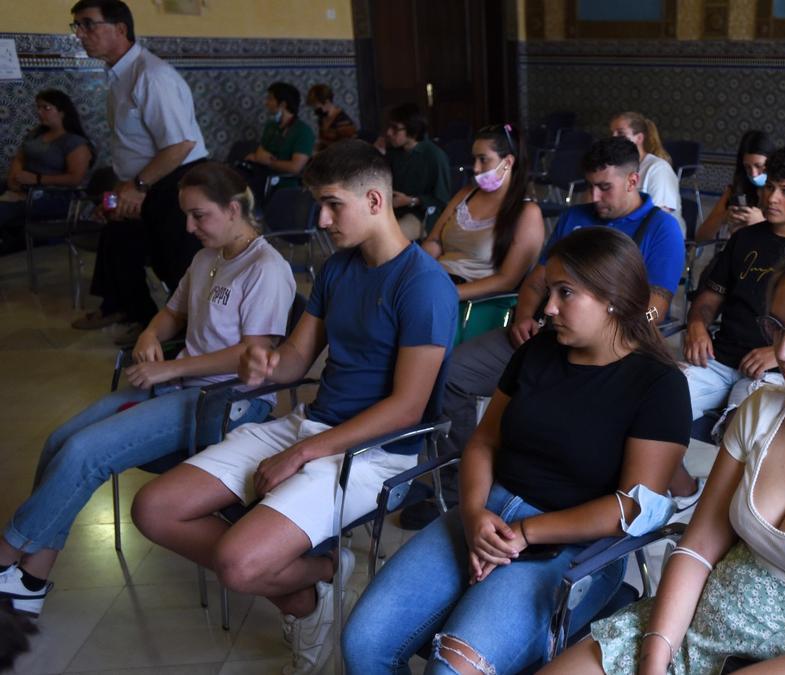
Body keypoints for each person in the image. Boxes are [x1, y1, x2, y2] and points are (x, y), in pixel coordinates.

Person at [131, 140, 457, 675]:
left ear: (376, 201)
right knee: (155, 508)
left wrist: (303, 453)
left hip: (379, 449)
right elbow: (294, 362)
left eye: (333, 205)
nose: (322, 219)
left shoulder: (423, 285)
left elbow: (406, 409)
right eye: (318, 205)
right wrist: (264, 363)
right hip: (315, 425)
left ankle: (309, 574)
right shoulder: (338, 270)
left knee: (239, 565)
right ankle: (315, 578)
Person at [543, 238, 785, 675]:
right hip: (697, 621)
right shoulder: (763, 409)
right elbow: (697, 547)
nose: (784, 352)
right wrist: (656, 656)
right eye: (778, 327)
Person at [343, 226, 691, 675]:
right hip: (488, 512)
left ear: (613, 297)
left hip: (570, 545)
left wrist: (525, 533)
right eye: (550, 291)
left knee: (451, 670)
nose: (548, 308)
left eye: (566, 293)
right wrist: (472, 514)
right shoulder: (540, 350)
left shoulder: (658, 386)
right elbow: (485, 441)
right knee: (363, 643)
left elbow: (630, 508)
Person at [0, 162, 294, 618]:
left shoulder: (266, 268)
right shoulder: (206, 257)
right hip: (182, 384)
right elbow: (173, 312)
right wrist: (150, 335)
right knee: (60, 440)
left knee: (84, 452)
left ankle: (7, 558)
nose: (189, 227)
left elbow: (250, 354)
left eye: (199, 215)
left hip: (226, 401)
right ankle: (32, 576)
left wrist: (167, 372)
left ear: (233, 209)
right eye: (186, 216)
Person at [428, 137, 684, 524]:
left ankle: (667, 475)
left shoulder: (660, 228)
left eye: (605, 187)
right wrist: (526, 317)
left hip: (610, 344)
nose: (595, 196)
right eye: (589, 185)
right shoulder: (574, 218)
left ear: (633, 181)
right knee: (454, 372)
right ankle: (462, 483)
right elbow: (538, 279)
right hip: (548, 336)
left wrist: (617, 337)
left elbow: (657, 305)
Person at [673, 142, 785, 506]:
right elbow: (708, 298)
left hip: (776, 369)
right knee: (655, 397)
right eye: (769, 187)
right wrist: (698, 325)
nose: (771, 198)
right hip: (720, 359)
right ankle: (680, 490)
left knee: (741, 427)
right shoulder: (745, 238)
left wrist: (779, 353)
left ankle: (728, 512)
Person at [69, 0, 209, 343]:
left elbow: (180, 145)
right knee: (118, 241)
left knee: (175, 263)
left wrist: (139, 186)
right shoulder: (119, 76)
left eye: (89, 24)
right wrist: (118, 193)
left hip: (176, 180)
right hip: (142, 182)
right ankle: (138, 315)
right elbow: (130, 148)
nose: (81, 35)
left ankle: (192, 337)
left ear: (120, 28)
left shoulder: (152, 75)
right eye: (77, 27)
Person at [422, 124, 544, 300]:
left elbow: (507, 280)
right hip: (438, 280)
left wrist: (449, 294)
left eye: (483, 159)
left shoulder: (527, 213)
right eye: (474, 159)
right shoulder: (466, 194)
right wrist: (416, 271)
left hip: (472, 296)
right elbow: (435, 241)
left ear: (507, 162)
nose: (476, 168)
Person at [0, 89, 94, 255]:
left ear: (62, 111)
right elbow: (20, 158)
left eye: (46, 108)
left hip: (53, 195)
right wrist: (13, 179)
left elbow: (74, 179)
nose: (39, 112)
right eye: (38, 107)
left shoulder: (74, 142)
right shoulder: (36, 133)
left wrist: (37, 179)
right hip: (25, 188)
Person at [379, 103, 453, 240]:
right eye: (389, 127)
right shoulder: (393, 153)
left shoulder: (434, 156)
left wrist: (410, 201)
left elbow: (442, 199)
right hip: (394, 210)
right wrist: (378, 154)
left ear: (412, 131)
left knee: (389, 238)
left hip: (422, 213)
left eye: (395, 129)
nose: (389, 133)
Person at [694, 130, 773, 242]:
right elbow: (700, 237)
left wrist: (761, 223)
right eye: (747, 167)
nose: (753, 174)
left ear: (771, 163)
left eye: (759, 166)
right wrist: (724, 217)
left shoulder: (782, 196)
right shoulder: (734, 191)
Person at [610, 111, 683, 233]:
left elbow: (658, 217)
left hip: (657, 237)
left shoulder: (658, 169)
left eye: (620, 133)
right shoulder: (616, 166)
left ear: (639, 138)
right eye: (612, 133)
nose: (613, 138)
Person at [241, 81, 315, 198]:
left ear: (283, 104)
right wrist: (265, 160)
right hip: (262, 178)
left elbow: (295, 167)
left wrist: (270, 162)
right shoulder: (271, 126)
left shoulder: (303, 131)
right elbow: (260, 154)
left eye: (270, 99)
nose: (266, 103)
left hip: (285, 186)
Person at [307, 84, 357, 153]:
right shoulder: (322, 118)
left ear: (327, 102)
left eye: (317, 107)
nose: (315, 110)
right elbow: (323, 142)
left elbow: (348, 148)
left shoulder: (343, 121)